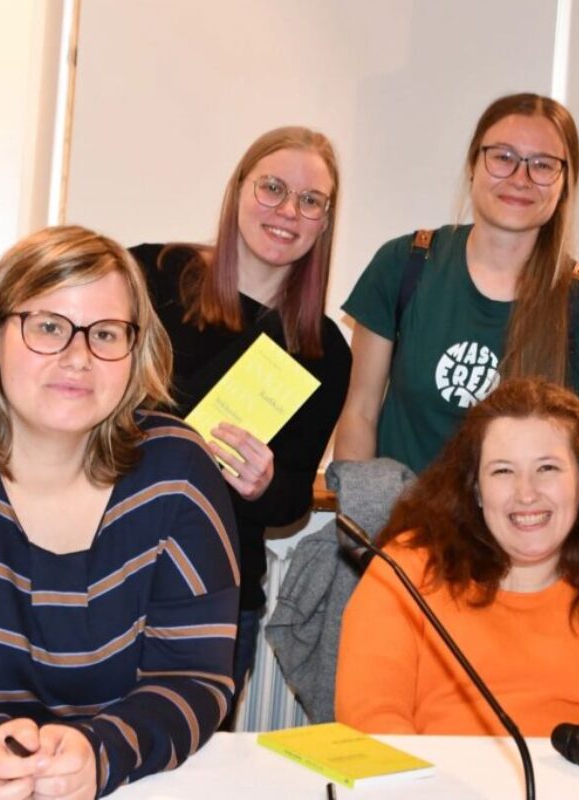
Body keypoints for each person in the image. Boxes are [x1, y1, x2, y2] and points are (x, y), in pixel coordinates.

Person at [0, 226, 239, 798]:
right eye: (49, 326)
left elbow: (194, 678)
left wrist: (102, 753)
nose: (78, 358)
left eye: (106, 333)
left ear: (135, 354)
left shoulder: (178, 472)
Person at [130, 126, 351, 713]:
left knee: (198, 757)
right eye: (272, 188)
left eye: (310, 200)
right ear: (238, 190)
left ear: (325, 221)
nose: (288, 211)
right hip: (109, 573)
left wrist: (263, 485)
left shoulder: (323, 349)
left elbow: (291, 502)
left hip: (218, 594)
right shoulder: (150, 276)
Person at [336, 378, 579, 738]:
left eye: (547, 468)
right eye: (503, 471)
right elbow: (371, 723)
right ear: (476, 489)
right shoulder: (405, 571)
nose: (526, 494)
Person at [335, 92, 579, 474]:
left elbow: (576, 460)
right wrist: (362, 506)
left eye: (542, 165)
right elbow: (360, 412)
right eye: (502, 157)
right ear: (473, 165)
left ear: (565, 184)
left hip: (519, 515)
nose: (520, 179)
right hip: (400, 512)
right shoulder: (403, 264)